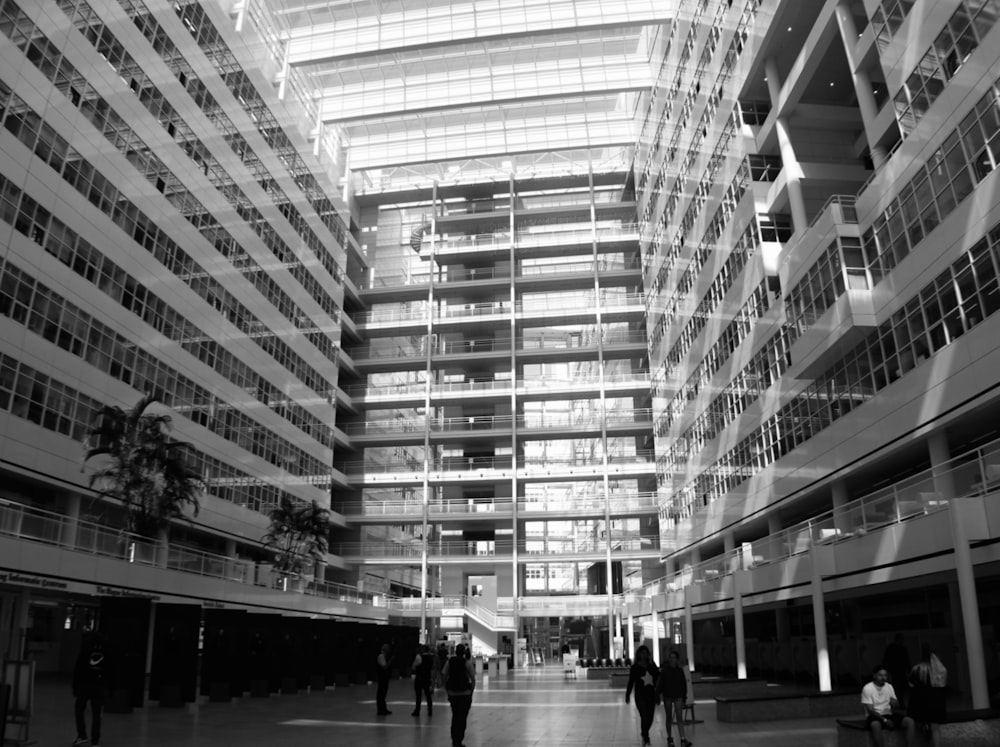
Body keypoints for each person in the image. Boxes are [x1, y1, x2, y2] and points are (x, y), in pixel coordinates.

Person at [862, 664, 916, 747]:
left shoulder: (889, 686)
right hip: (874, 716)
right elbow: (870, 710)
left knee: (910, 721)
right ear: (874, 675)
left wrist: (895, 703)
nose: (883, 678)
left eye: (885, 675)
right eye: (880, 675)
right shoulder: (867, 688)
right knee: (875, 725)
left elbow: (896, 705)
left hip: (888, 714)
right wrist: (885, 721)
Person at [73, 632, 110, 747]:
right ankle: (95, 740)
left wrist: (75, 686)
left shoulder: (85, 650)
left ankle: (82, 735)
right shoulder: (105, 652)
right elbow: (110, 670)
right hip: (99, 687)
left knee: (79, 709)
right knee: (97, 713)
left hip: (84, 685)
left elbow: (78, 669)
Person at [908, 646, 947, 746]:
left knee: (916, 719)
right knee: (936, 729)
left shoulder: (917, 669)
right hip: (937, 702)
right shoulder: (941, 670)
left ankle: (924, 726)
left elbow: (911, 685)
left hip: (921, 701)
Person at [625, 644, 659, 746]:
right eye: (642, 653)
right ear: (639, 654)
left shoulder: (651, 666)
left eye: (646, 653)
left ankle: (644, 733)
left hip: (651, 695)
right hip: (640, 696)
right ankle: (646, 737)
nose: (644, 655)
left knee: (650, 718)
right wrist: (628, 694)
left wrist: (652, 662)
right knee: (644, 716)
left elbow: (658, 677)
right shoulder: (635, 668)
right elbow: (631, 681)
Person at [657, 649, 691, 747]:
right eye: (671, 658)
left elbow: (683, 684)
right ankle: (670, 738)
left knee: (679, 717)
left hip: (678, 696)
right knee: (669, 717)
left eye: (674, 658)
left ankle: (682, 739)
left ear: (677, 659)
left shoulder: (680, 671)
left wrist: (684, 697)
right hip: (667, 696)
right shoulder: (665, 671)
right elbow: (661, 683)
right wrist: (658, 695)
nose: (672, 660)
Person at [444, 643, 476, 747]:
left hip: (452, 693)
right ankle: (458, 740)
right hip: (464, 693)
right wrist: (471, 691)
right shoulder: (467, 663)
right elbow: (473, 678)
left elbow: (444, 674)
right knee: (462, 718)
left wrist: (447, 688)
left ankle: (454, 739)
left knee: (455, 716)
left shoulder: (450, 661)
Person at [882, 633, 911, 698]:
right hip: (896, 670)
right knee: (898, 686)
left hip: (896, 670)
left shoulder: (894, 648)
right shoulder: (900, 648)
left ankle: (898, 700)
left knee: (898, 686)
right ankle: (899, 701)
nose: (903, 640)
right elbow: (906, 660)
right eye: (902, 639)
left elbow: (886, 659)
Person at [411, 644, 434, 716]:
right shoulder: (431, 658)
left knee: (418, 695)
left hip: (419, 678)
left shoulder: (419, 657)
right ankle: (430, 710)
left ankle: (417, 710)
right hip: (427, 678)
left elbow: (414, 667)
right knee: (428, 695)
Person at [376, 643, 394, 716]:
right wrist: (390, 661)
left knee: (383, 693)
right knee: (381, 693)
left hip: (385, 678)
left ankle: (383, 708)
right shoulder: (381, 656)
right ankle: (380, 709)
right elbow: (384, 667)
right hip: (382, 677)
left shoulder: (384, 656)